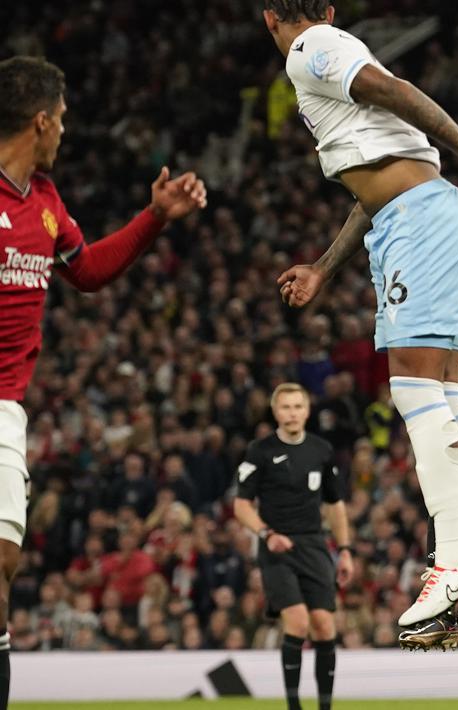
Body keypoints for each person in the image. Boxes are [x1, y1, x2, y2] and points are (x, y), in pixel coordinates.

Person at [261, 0, 458, 648]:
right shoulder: (331, 59)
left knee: (414, 394)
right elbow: (372, 187)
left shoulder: (311, 50)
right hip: (416, 216)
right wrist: (326, 268)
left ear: (270, 17)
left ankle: (452, 557)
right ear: (326, 6)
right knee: (444, 398)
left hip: (419, 218)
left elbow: (391, 88)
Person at [0, 55, 206, 707]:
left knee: (2, 563)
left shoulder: (48, 201)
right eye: (61, 120)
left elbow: (86, 272)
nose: (65, 131)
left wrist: (155, 219)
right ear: (39, 122)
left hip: (5, 407)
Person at [234, 383, 353, 710]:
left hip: (313, 545)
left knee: (325, 625)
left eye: (297, 406)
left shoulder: (321, 450)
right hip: (277, 548)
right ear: (275, 412)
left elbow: (335, 504)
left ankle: (325, 706)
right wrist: (267, 534)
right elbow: (241, 506)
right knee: (299, 623)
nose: (292, 413)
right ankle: (293, 705)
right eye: (285, 407)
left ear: (307, 410)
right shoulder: (260, 451)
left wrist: (344, 549)